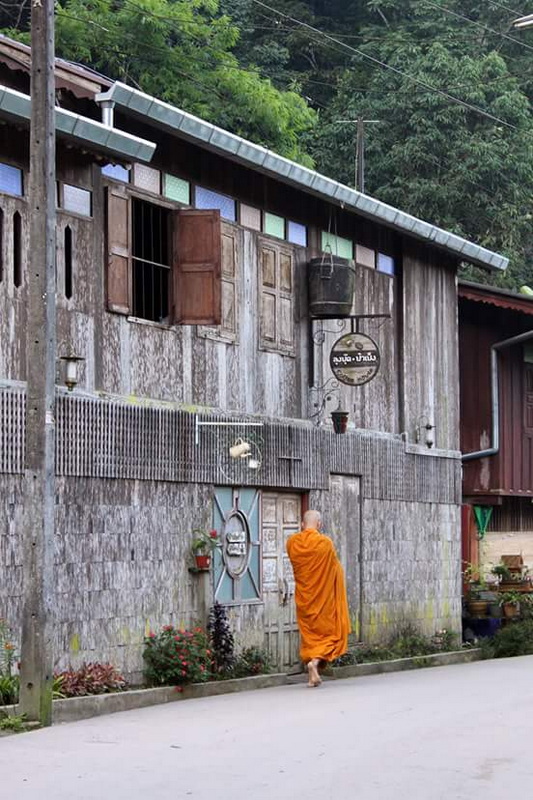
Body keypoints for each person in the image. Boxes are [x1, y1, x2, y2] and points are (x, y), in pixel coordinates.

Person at [286, 510, 350, 687]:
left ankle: (311, 676)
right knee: (328, 635)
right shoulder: (325, 543)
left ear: (301, 524)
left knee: (310, 636)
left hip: (304, 600)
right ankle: (313, 664)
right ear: (320, 524)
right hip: (323, 601)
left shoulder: (292, 543)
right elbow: (334, 569)